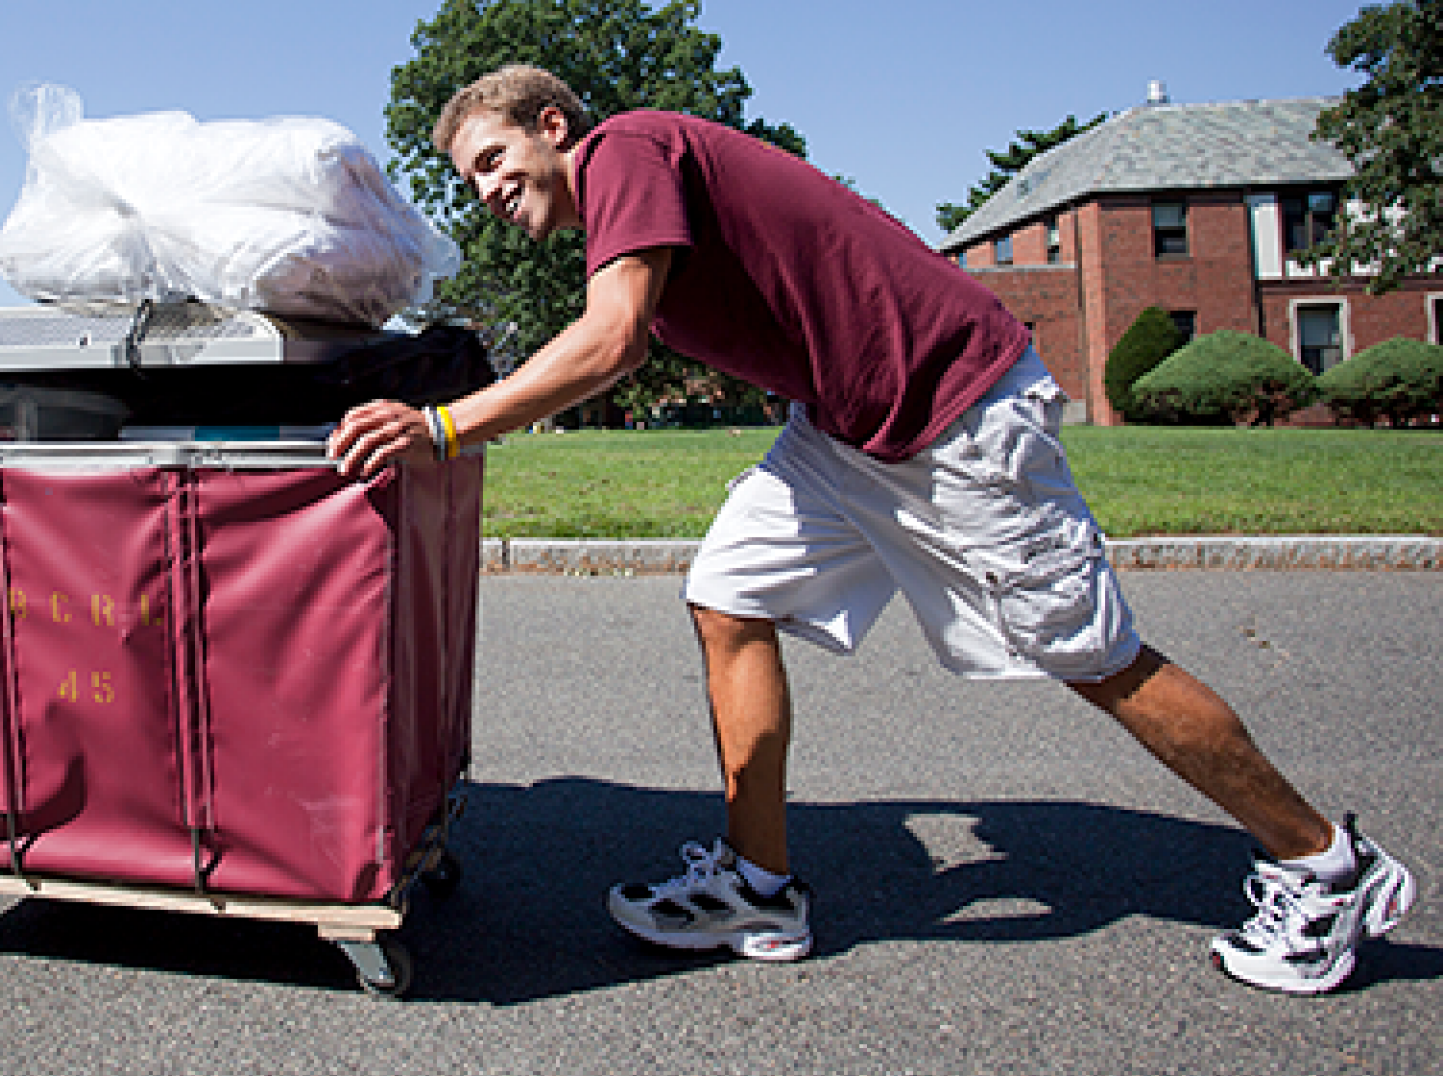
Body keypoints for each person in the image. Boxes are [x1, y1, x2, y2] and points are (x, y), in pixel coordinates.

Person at [327, 64, 1414, 995]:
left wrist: (444, 425)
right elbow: (629, 336)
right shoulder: (622, 200)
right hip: (846, 429)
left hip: (951, 413)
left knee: (1094, 656)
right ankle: (757, 886)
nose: (485, 189)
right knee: (728, 594)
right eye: (470, 178)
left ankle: (1325, 863)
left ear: (552, 126)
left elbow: (613, 344)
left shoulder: (624, 151)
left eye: (492, 158)